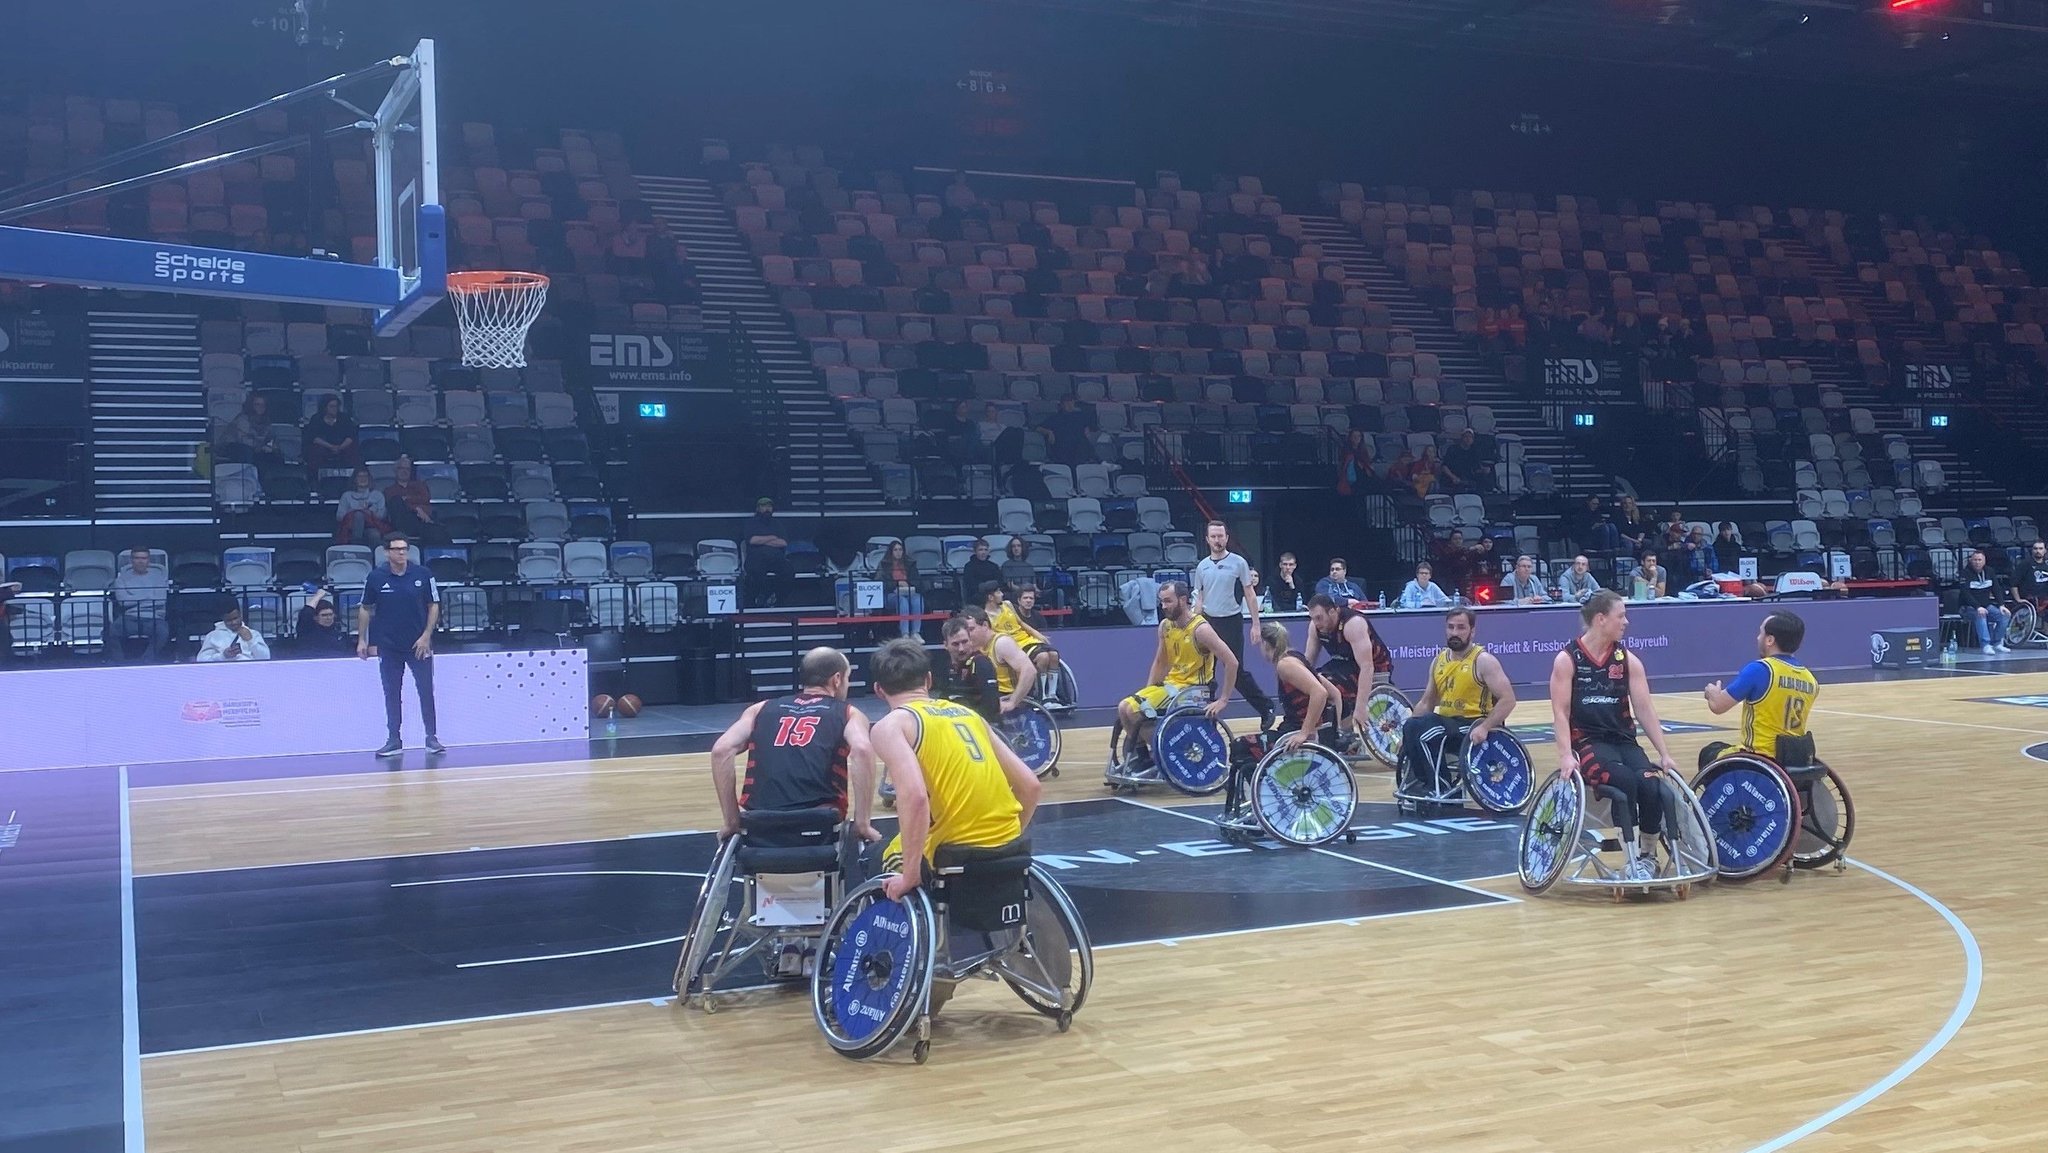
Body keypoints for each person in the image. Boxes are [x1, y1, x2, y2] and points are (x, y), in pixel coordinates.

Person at [867, 639, 1042, 902]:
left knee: (872, 858)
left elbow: (914, 798)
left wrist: (910, 874)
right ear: (928, 680)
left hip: (954, 848)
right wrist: (1006, 839)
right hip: (1008, 843)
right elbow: (1031, 787)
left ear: (879, 690)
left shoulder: (891, 726)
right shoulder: (970, 715)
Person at [1551, 590, 1683, 882]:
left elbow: (1645, 710)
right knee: (1624, 781)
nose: (1626, 621)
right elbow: (1559, 713)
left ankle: (1648, 855)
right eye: (1620, 615)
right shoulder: (1567, 659)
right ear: (1601, 619)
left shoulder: (1628, 660)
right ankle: (1631, 857)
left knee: (1652, 786)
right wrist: (1564, 755)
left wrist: (1664, 753)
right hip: (1588, 742)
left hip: (1624, 741)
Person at [708, 646, 878, 844]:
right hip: (818, 819)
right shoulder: (848, 713)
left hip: (761, 818)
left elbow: (721, 751)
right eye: (848, 678)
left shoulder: (760, 709)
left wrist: (731, 821)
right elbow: (863, 751)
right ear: (837, 679)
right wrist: (863, 823)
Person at [1111, 580, 1237, 771]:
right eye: (1162, 602)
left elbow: (1232, 662)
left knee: (1132, 710)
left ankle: (1163, 755)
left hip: (1193, 690)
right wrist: (1147, 691)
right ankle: (1146, 756)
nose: (1164, 606)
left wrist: (1224, 700)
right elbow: (1160, 662)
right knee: (1124, 708)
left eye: (1168, 601)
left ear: (1183, 599)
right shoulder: (1165, 626)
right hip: (1171, 687)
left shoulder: (1200, 629)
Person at [1399, 607, 1516, 797]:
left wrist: (1485, 727)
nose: (1455, 633)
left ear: (1472, 631)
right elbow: (1427, 702)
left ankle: (1441, 786)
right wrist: (1407, 733)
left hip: (1471, 725)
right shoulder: (1439, 660)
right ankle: (1422, 783)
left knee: (1425, 732)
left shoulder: (1483, 660)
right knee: (1412, 727)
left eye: (1461, 628)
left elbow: (1508, 700)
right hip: (1446, 724)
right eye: (1450, 627)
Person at [359, 533, 443, 757]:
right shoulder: (376, 577)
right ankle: (394, 739)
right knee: (391, 693)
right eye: (396, 549)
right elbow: (365, 607)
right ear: (387, 552)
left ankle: (431, 738)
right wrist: (362, 639)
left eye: (404, 548)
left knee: (426, 691)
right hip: (389, 646)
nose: (401, 553)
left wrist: (426, 636)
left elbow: (434, 604)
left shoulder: (423, 574)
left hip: (419, 644)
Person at [1699, 612, 1818, 767]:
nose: (1757, 638)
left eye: (1760, 632)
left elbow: (1718, 706)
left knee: (1709, 753)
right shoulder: (1811, 680)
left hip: (1759, 758)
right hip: (1794, 759)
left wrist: (1712, 693)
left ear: (1770, 640)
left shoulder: (1761, 670)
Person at [1191, 520, 1277, 726]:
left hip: (1231, 621)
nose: (1217, 540)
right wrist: (1194, 621)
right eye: (1213, 536)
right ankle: (1207, 718)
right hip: (1208, 623)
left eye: (1220, 536)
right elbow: (1199, 597)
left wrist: (1255, 624)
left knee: (1236, 671)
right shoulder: (1202, 566)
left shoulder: (1239, 563)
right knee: (1206, 673)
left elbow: (1249, 593)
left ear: (1227, 538)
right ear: (1207, 539)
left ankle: (1266, 707)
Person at [1304, 593, 1394, 735]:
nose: (1316, 623)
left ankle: (1342, 730)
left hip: (1375, 666)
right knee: (1315, 681)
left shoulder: (1353, 624)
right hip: (1343, 663)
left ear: (1332, 611)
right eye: (1313, 618)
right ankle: (1326, 731)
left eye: (1319, 618)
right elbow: (1308, 662)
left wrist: (1361, 707)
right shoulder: (1315, 627)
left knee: (1330, 685)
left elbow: (1367, 667)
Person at [941, 609, 1036, 722]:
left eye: (971, 629)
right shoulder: (975, 649)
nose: (969, 634)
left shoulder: (1001, 643)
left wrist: (1013, 701)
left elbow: (1030, 670)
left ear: (985, 625)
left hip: (1005, 702)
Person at [1254, 620, 1334, 750]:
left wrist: (1305, 733)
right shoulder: (1295, 657)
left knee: (1240, 747)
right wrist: (1337, 730)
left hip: (1295, 729)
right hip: (1295, 726)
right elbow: (1334, 693)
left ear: (1265, 644)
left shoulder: (1285, 665)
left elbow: (1320, 692)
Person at [981, 581, 1065, 706]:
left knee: (1053, 654)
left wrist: (1037, 634)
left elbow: (1020, 623)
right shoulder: (986, 616)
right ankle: (1043, 696)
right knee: (1043, 657)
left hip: (1026, 639)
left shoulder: (1008, 605)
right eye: (999, 592)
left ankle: (1052, 695)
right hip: (1012, 645)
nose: (1002, 594)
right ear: (990, 597)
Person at [109, 546, 170, 660]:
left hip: (154, 618)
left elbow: (161, 600)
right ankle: (119, 663)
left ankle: (146, 662)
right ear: (131, 560)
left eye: (144, 558)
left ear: (149, 560)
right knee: (111, 632)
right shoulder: (121, 579)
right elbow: (123, 602)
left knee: (163, 633)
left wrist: (134, 598)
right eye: (137, 558)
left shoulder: (159, 577)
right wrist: (149, 596)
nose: (141, 561)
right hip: (129, 617)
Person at [1957, 549, 2011, 655]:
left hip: (1986, 606)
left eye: (1979, 560)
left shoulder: (1990, 571)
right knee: (1980, 615)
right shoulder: (1965, 573)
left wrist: (2001, 605)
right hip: (1967, 607)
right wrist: (1977, 607)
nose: (1977, 562)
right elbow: (1965, 593)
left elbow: (1996, 589)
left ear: (1984, 561)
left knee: (2004, 615)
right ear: (1971, 561)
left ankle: (1997, 643)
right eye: (1975, 560)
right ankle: (1985, 645)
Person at [743, 496, 790, 608]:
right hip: (756, 558)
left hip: (776, 558)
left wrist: (763, 540)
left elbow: (783, 543)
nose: (767, 509)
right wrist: (772, 537)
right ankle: (761, 597)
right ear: (758, 509)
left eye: (769, 506)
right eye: (764, 506)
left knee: (789, 571)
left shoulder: (777, 524)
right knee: (756, 572)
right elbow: (752, 540)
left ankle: (779, 600)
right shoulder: (751, 523)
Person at [383, 455, 438, 542]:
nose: (404, 471)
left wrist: (406, 499)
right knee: (396, 501)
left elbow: (425, 499)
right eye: (401, 468)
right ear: (395, 471)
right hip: (402, 524)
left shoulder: (420, 486)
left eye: (407, 469)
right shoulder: (389, 490)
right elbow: (395, 507)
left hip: (422, 522)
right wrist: (416, 509)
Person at [878, 539, 924, 638]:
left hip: (909, 592)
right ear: (891, 552)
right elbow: (880, 584)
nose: (898, 552)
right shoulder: (883, 565)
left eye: (900, 549)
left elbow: (918, 581)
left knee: (917, 599)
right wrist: (897, 583)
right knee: (902, 601)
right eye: (895, 550)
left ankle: (916, 632)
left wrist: (908, 583)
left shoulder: (910, 564)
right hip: (891, 594)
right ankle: (905, 633)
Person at [335, 466, 389, 547]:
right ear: (355, 479)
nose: (363, 479)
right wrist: (356, 511)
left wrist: (369, 512)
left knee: (375, 535)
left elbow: (382, 515)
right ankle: (356, 548)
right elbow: (339, 516)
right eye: (360, 476)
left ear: (369, 479)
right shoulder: (346, 495)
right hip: (351, 528)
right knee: (358, 515)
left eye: (365, 476)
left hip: (372, 526)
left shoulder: (378, 495)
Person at [302, 395, 360, 470]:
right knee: (314, 452)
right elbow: (313, 437)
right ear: (325, 407)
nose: (334, 409)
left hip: (342, 446)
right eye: (331, 406)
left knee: (353, 451)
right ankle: (314, 479)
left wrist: (340, 447)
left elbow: (351, 436)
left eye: (336, 406)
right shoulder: (316, 418)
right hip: (324, 446)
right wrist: (331, 447)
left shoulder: (344, 418)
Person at [218, 394, 281, 462]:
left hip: (255, 449)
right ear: (251, 406)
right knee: (247, 452)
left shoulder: (266, 421)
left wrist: (273, 447)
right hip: (232, 448)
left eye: (263, 405)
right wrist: (262, 447)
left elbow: (271, 437)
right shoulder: (242, 419)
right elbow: (244, 440)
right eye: (257, 404)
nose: (261, 407)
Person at [196, 604, 271, 662]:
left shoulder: (254, 634)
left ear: (240, 616)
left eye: (235, 618)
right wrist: (223, 656)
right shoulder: (212, 636)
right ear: (223, 620)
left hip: (249, 673)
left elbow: (266, 658)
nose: (233, 622)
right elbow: (201, 660)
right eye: (229, 620)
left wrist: (251, 641)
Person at [1038, 394, 1097, 465]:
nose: (1069, 404)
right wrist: (1049, 432)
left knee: (1083, 441)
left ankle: (1098, 462)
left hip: (1079, 447)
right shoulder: (1055, 418)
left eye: (1071, 401)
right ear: (1062, 404)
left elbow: (1089, 427)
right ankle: (1100, 461)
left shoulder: (1080, 416)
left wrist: (1087, 430)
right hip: (1061, 446)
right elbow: (1038, 428)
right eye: (1067, 402)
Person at [293, 588, 353, 657]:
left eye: (330, 614)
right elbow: (306, 612)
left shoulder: (338, 632)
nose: (328, 618)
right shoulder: (307, 629)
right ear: (315, 617)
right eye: (324, 615)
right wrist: (318, 596)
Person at [959, 538, 1003, 603]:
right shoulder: (969, 566)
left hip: (994, 594)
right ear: (975, 551)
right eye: (980, 550)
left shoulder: (994, 566)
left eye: (985, 550)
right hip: (976, 596)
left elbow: (1000, 582)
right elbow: (970, 586)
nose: (983, 552)